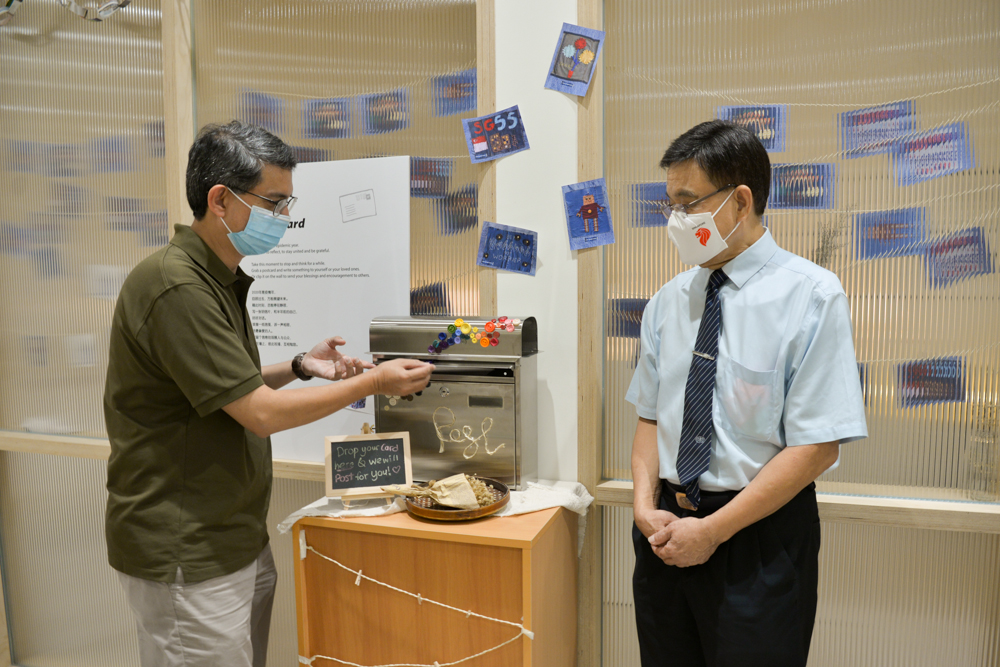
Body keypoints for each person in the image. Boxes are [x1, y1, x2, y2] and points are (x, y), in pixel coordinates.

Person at [104, 120, 433, 667]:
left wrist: (300, 366)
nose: (283, 218)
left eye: (286, 204)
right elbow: (260, 414)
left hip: (233, 532)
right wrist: (374, 381)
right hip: (186, 543)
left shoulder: (215, 277)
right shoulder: (177, 285)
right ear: (220, 200)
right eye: (274, 204)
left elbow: (228, 389)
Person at [627, 120, 867, 667]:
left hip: (756, 537)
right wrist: (643, 507)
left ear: (740, 201)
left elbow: (817, 445)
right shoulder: (668, 301)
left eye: (688, 203)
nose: (677, 220)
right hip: (666, 528)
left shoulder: (811, 295)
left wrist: (713, 531)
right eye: (670, 205)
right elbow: (650, 417)